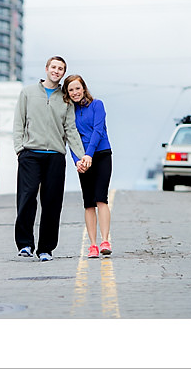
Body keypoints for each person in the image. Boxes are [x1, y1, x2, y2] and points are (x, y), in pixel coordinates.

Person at [13, 56, 92, 261]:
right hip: (30, 154)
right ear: (47, 68)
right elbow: (18, 122)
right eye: (54, 67)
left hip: (55, 156)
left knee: (52, 202)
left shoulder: (65, 99)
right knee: (27, 197)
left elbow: (71, 130)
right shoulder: (28, 93)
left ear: (63, 73)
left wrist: (82, 155)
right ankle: (25, 244)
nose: (57, 71)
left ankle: (46, 248)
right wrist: (19, 149)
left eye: (61, 69)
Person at [63, 74, 113, 259]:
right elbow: (70, 137)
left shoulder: (97, 105)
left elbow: (98, 130)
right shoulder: (69, 112)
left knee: (101, 198)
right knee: (88, 202)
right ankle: (92, 245)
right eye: (71, 90)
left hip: (100, 154)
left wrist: (89, 154)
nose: (75, 92)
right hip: (82, 159)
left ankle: (105, 241)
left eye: (77, 88)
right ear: (67, 93)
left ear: (83, 88)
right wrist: (78, 160)